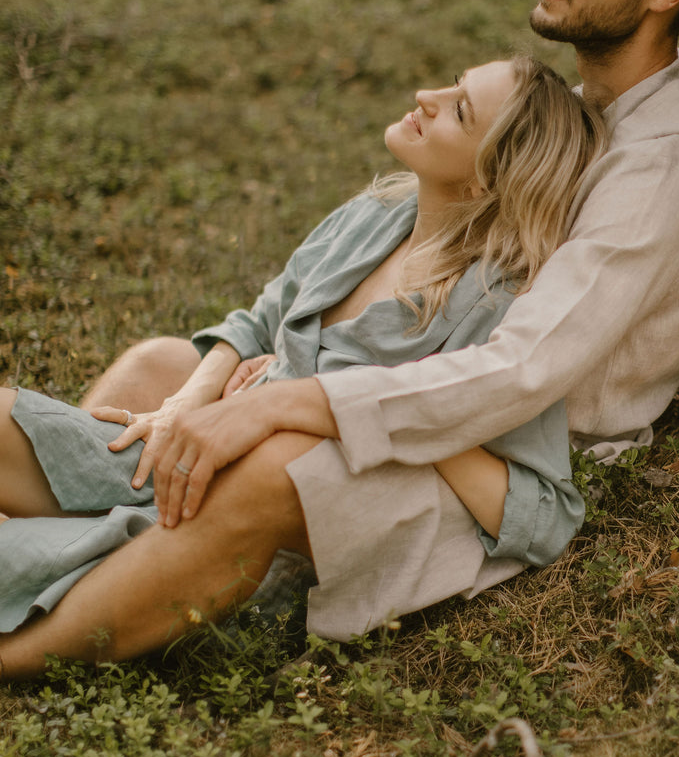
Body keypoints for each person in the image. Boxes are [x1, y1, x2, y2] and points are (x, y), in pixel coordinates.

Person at [0, 56, 607, 676]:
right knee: (122, 374)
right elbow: (262, 317)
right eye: (452, 82)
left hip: (277, 531)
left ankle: (30, 644)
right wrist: (192, 399)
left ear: (487, 178)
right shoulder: (374, 216)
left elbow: (544, 516)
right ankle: (94, 552)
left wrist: (401, 420)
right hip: (211, 445)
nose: (425, 94)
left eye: (458, 109)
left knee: (258, 465)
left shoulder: (497, 304)